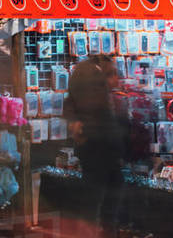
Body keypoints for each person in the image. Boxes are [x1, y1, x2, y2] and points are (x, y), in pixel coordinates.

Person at [64, 54, 125, 238]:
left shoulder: (81, 73)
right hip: (101, 148)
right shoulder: (94, 81)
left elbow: (69, 104)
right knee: (103, 201)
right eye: (113, 74)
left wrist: (75, 124)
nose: (117, 79)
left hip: (93, 147)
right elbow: (102, 118)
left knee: (94, 200)